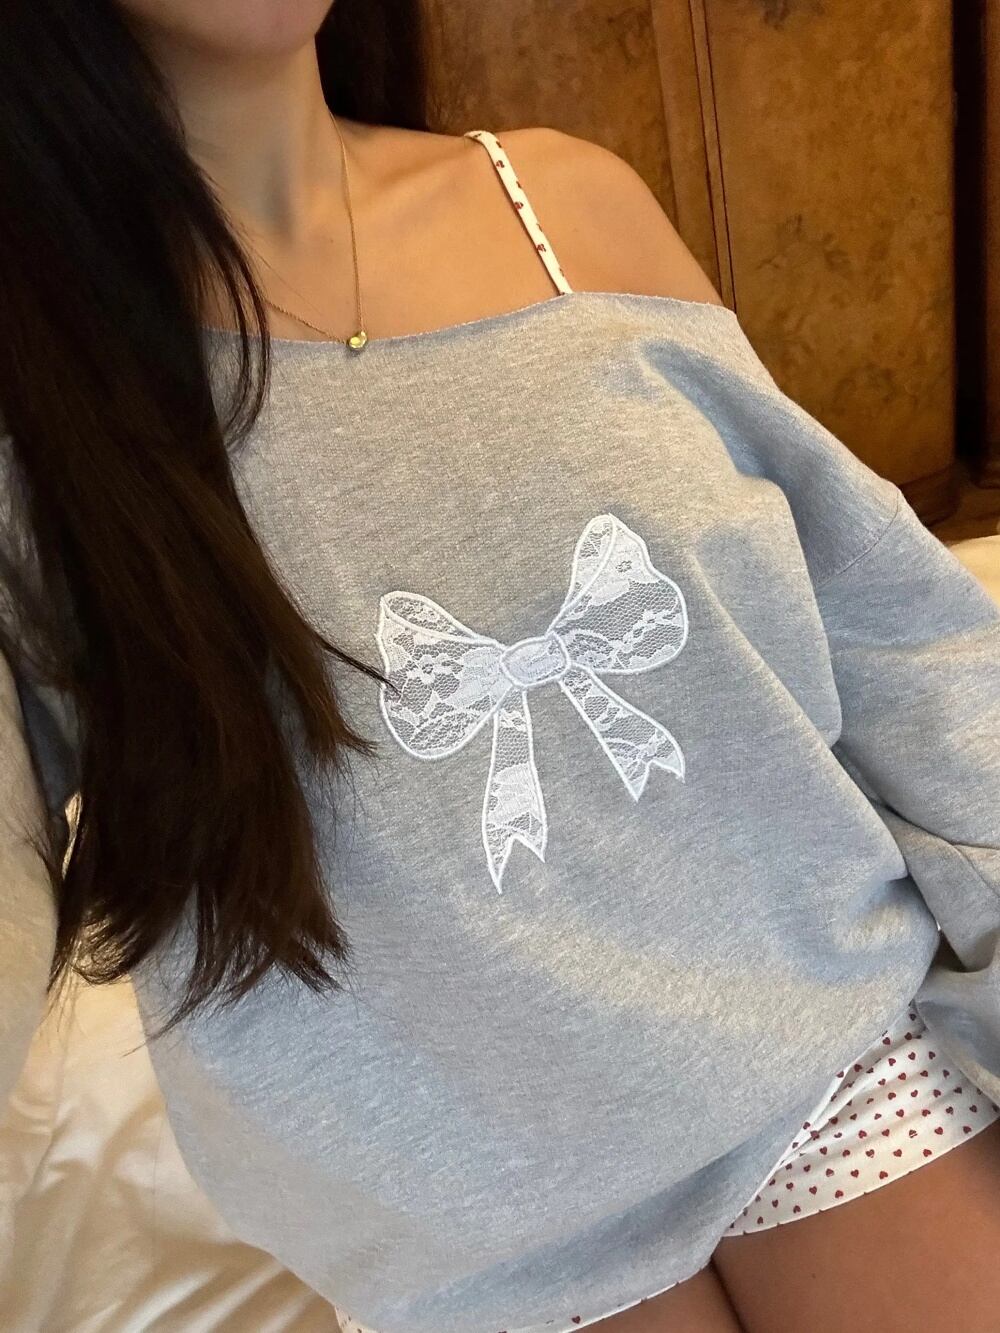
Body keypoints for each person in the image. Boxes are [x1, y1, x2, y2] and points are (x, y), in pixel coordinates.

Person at [1, 2, 999, 1330]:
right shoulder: (40, 396)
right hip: (461, 1220)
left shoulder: (568, 208)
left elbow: (899, 636)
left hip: (824, 1049)